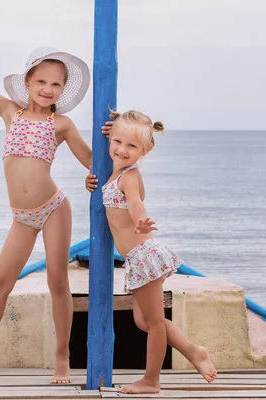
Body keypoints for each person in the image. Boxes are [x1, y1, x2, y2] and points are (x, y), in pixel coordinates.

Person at [0, 11, 92, 385]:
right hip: (21, 217)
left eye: (56, 84)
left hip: (53, 209)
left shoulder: (60, 124)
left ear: (63, 90)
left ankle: (63, 357)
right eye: (41, 80)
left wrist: (97, 174)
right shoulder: (9, 112)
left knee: (58, 282)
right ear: (26, 82)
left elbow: (90, 160)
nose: (48, 88)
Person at [85, 110, 217, 394]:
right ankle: (194, 352)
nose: (122, 149)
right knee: (143, 321)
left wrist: (139, 219)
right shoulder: (115, 171)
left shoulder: (130, 176)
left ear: (145, 149)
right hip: (138, 258)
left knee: (154, 323)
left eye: (132, 146)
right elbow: (111, 187)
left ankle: (152, 380)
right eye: (117, 141)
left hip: (145, 254)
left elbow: (134, 203)